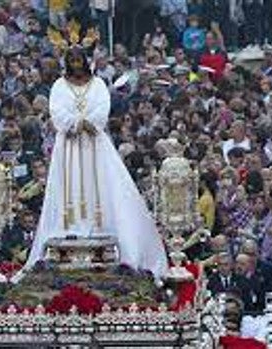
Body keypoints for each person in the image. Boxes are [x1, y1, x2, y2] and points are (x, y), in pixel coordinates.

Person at [21, 33, 168, 278]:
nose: (77, 65)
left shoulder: (97, 84)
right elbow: (56, 110)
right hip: (68, 144)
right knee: (69, 186)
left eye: (80, 60)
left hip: (94, 142)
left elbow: (102, 107)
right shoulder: (59, 85)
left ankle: (101, 228)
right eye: (73, 61)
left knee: (102, 185)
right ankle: (69, 228)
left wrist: (90, 123)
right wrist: (75, 123)